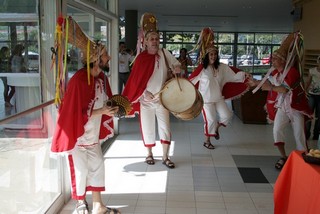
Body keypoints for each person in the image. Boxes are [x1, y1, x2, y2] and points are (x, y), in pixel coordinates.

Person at [51, 17, 120, 214]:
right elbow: (73, 112)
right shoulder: (79, 80)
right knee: (80, 171)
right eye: (105, 55)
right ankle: (80, 203)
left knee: (97, 166)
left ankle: (98, 205)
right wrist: (101, 111)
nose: (109, 58)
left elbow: (105, 100)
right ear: (96, 59)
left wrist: (115, 107)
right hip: (78, 137)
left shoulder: (101, 78)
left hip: (92, 136)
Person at [122, 12, 181, 168]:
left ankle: (166, 156)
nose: (154, 41)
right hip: (146, 101)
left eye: (156, 39)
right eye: (151, 39)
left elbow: (177, 64)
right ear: (145, 41)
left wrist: (176, 68)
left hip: (162, 99)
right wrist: (143, 93)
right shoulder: (140, 59)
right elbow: (134, 82)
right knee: (147, 127)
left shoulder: (164, 53)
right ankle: (149, 154)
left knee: (165, 128)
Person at [248, 32, 312, 170]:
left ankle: (304, 159)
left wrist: (269, 87)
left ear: (283, 61)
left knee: (299, 134)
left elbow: (285, 89)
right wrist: (255, 83)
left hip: (295, 108)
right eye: (273, 58)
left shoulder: (292, 72)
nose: (273, 60)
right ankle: (283, 156)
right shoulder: (275, 72)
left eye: (276, 58)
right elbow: (266, 82)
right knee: (277, 130)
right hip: (282, 107)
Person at [189, 27, 249, 150]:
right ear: (207, 55)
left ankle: (216, 129)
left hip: (218, 98)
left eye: (215, 54)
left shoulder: (222, 68)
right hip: (206, 100)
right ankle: (207, 141)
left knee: (227, 115)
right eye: (211, 54)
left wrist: (245, 75)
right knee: (210, 120)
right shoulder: (202, 69)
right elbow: (191, 81)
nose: (214, 56)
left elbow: (234, 76)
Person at [305, 55, 320, 140]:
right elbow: (308, 81)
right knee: (309, 114)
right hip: (311, 95)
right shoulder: (312, 71)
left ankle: (316, 134)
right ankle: (307, 133)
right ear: (317, 62)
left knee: (319, 116)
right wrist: (305, 92)